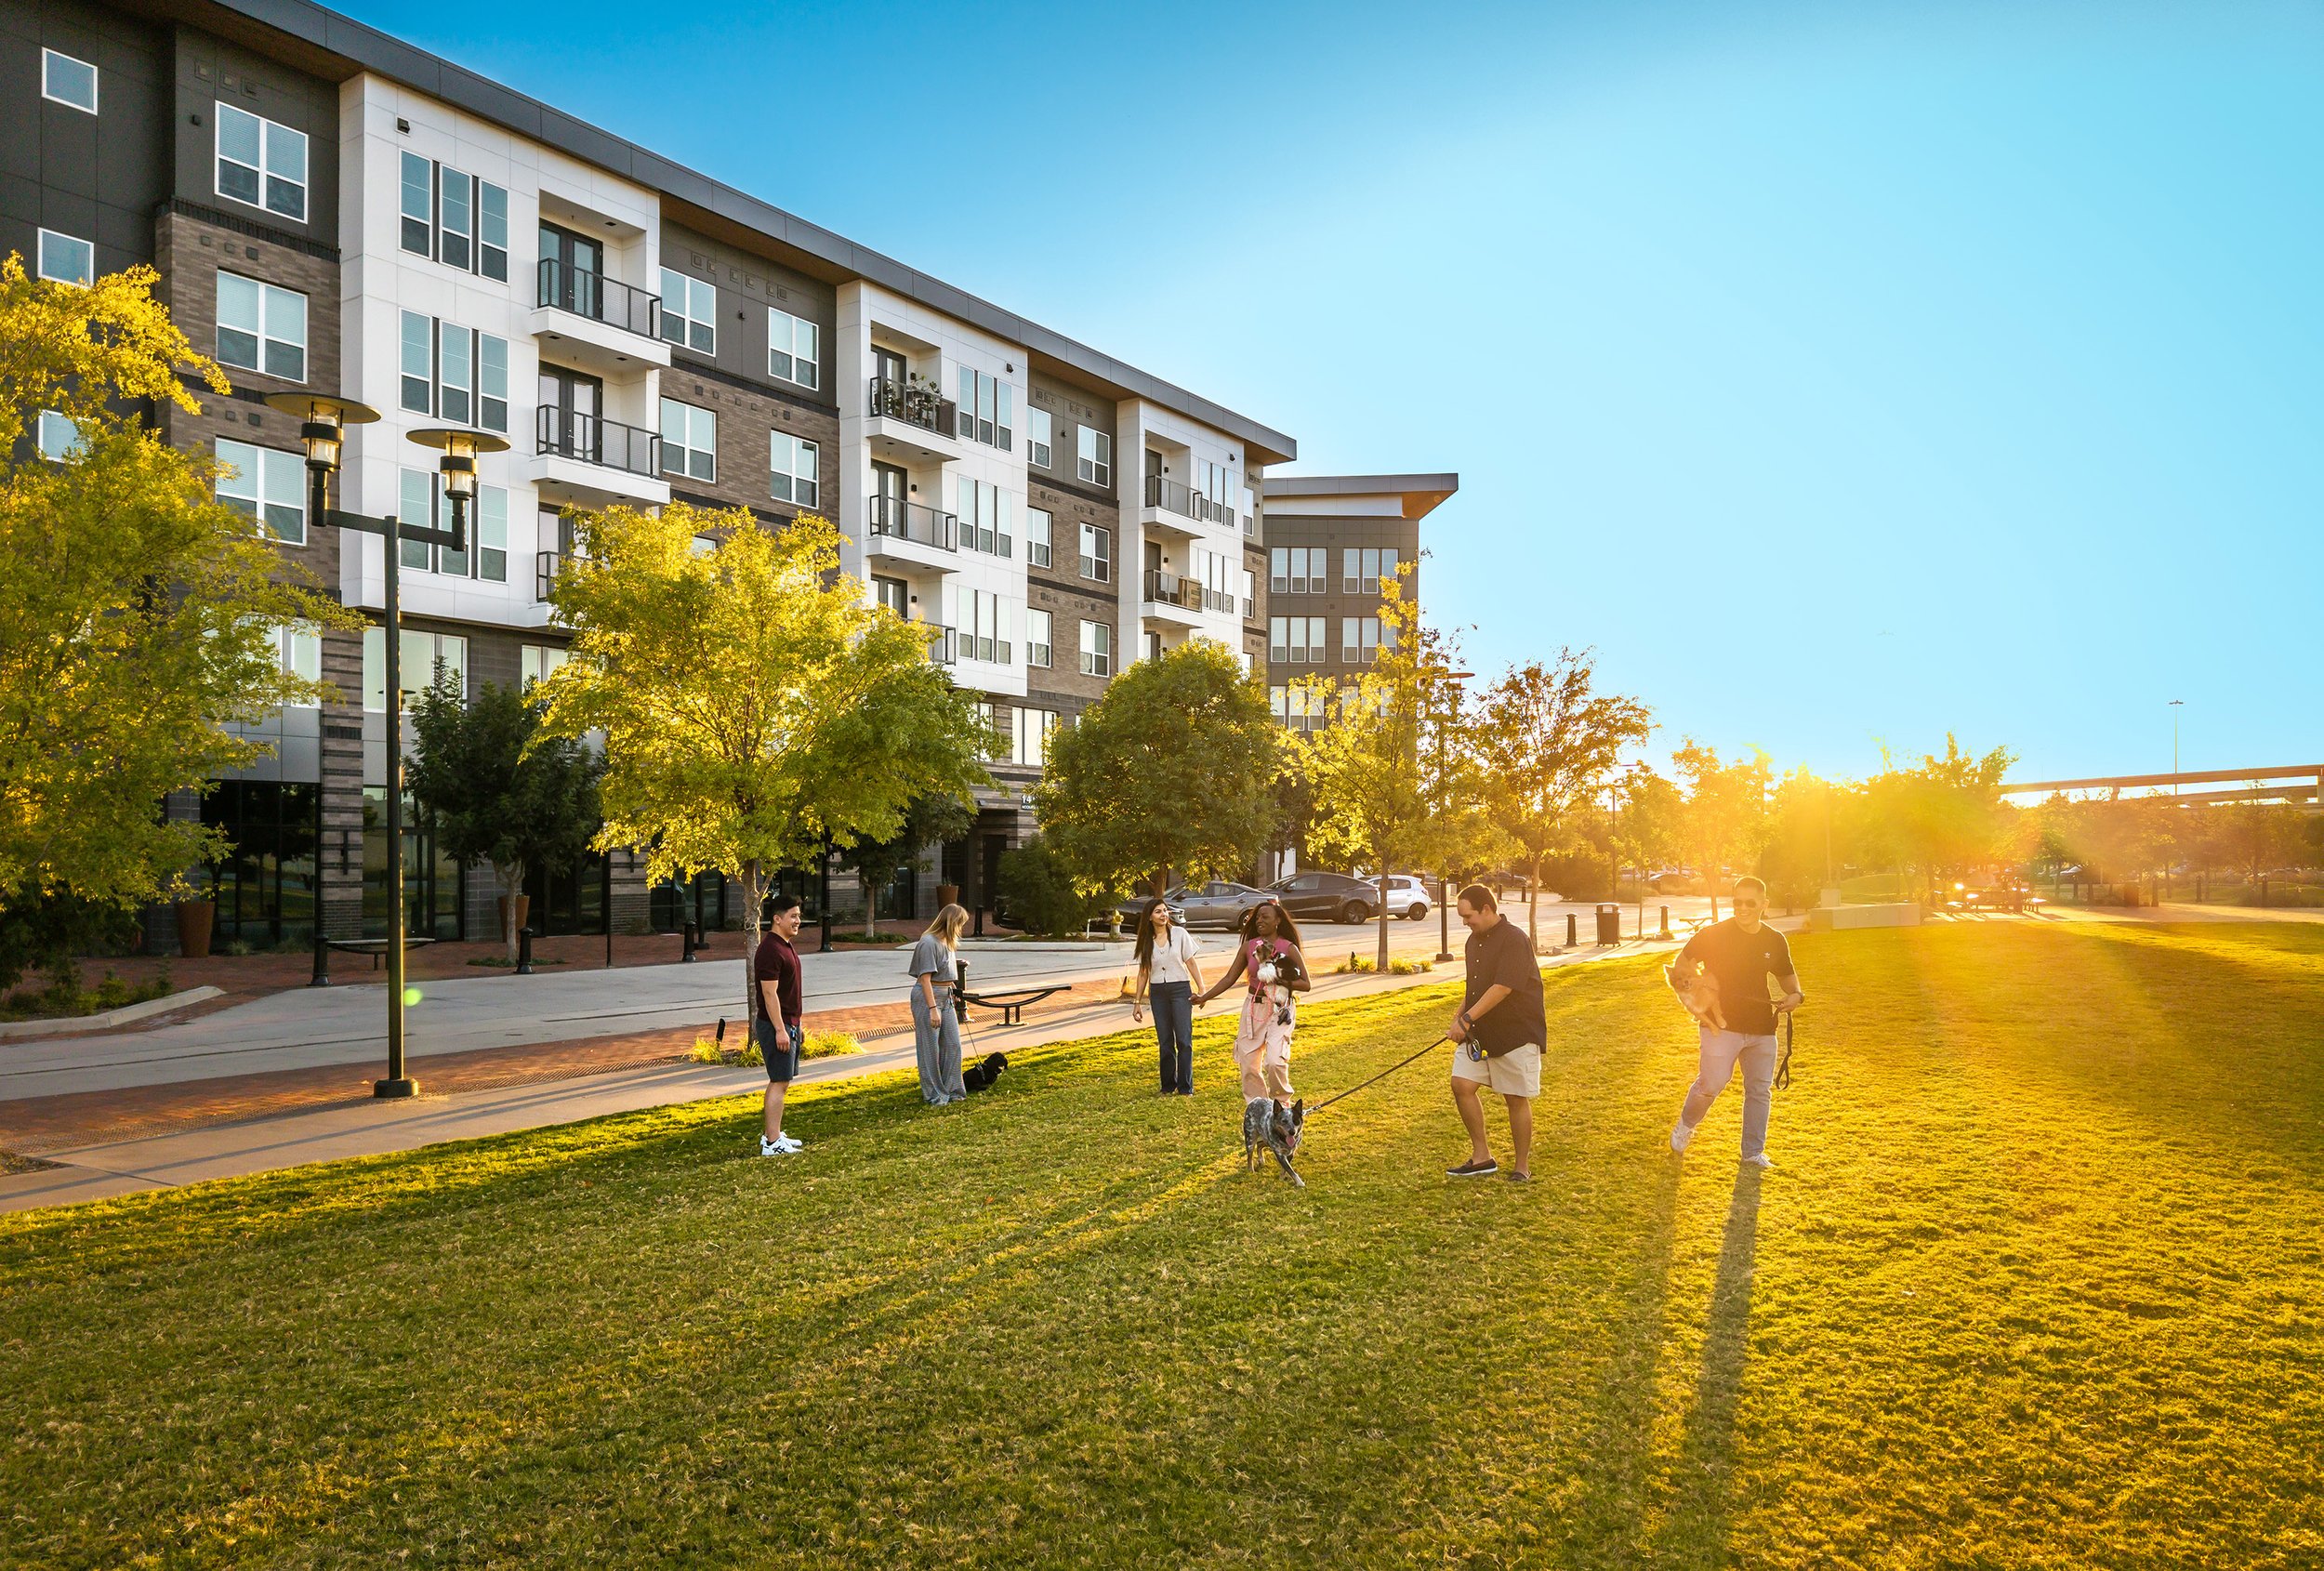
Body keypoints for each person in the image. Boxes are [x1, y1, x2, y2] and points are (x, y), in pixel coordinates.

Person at [1667, 875, 1804, 1168]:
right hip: (1721, 1026)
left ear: (1764, 904)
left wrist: (1796, 995)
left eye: (1750, 903)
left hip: (1762, 1028)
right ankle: (1686, 1124)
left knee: (1758, 1090)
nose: (1742, 908)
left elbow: (1787, 977)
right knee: (1711, 1083)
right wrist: (1695, 998)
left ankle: (1752, 1153)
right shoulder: (1711, 935)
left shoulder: (1774, 940)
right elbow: (1681, 966)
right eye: (1737, 902)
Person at [1445, 883, 1548, 1181]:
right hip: (1481, 1032)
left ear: (1487, 909)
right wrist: (1460, 1017)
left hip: (1515, 1031)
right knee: (1461, 1084)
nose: (1465, 922)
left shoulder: (1515, 939)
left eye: (1468, 916)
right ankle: (1482, 1157)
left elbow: (1502, 988)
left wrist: (1466, 1019)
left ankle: (1521, 1167)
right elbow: (1475, 986)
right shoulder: (1472, 941)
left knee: (1515, 1098)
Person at [1194, 898, 1309, 1110]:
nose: (1259, 921)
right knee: (1248, 1065)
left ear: (1278, 920)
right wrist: (1205, 997)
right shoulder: (1250, 946)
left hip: (1279, 1008)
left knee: (1275, 1061)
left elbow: (1306, 984)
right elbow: (1229, 978)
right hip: (1253, 1008)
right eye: (1257, 917)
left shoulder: (1288, 947)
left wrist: (1277, 979)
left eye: (1265, 917)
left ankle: (1282, 1107)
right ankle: (1259, 1109)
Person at [1131, 897, 1207, 1096]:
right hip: (1158, 993)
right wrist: (1137, 1002)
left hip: (1180, 990)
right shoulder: (1146, 941)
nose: (1163, 914)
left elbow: (1190, 963)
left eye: (1165, 911)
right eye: (1158, 911)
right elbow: (1143, 973)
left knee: (1183, 1039)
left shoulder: (1179, 934)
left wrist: (1202, 988)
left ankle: (1185, 1087)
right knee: (1165, 1041)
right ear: (1149, 917)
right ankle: (1167, 1086)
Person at [754, 895, 807, 1157]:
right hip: (777, 1025)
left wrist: (797, 1024)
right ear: (777, 919)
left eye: (798, 915)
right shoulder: (770, 950)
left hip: (790, 1023)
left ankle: (773, 1134)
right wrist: (780, 1029)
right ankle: (772, 1142)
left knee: (783, 1081)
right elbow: (769, 994)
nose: (798, 920)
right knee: (779, 1081)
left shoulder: (784, 945)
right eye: (793, 916)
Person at [908, 904, 971, 1105]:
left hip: (946, 996)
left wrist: (953, 989)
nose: (961, 928)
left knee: (953, 1045)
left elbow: (946, 973)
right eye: (960, 923)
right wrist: (932, 1008)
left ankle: (953, 1090)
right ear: (952, 922)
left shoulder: (948, 943)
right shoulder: (928, 943)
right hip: (928, 997)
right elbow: (925, 979)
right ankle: (935, 1095)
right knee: (930, 1049)